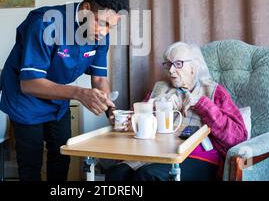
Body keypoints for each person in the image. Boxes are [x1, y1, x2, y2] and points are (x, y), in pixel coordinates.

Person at [0, 0, 129, 181]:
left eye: (111, 27)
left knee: (62, 154)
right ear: (86, 9)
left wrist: (111, 111)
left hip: (57, 94)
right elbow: (30, 83)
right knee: (31, 162)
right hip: (24, 97)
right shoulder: (46, 24)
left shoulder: (100, 35)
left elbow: (100, 78)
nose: (105, 32)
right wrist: (79, 93)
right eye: (102, 23)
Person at [105, 41, 247, 181]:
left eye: (178, 64)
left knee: (148, 175)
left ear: (194, 67)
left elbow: (238, 136)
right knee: (116, 173)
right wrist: (154, 107)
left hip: (198, 156)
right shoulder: (159, 89)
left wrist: (201, 104)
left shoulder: (214, 91)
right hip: (155, 153)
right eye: (168, 64)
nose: (171, 70)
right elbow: (134, 123)